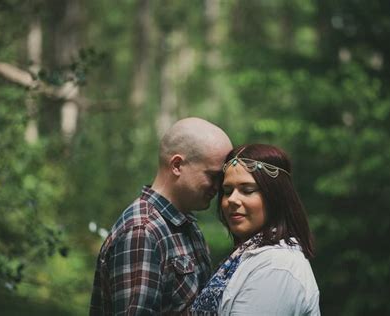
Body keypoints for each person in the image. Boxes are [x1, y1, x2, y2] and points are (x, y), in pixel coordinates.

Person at [89, 117, 233, 315]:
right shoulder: (142, 231)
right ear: (176, 165)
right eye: (212, 176)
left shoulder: (184, 224)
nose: (218, 187)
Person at [190, 144, 320, 316]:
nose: (232, 200)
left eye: (247, 190)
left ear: (275, 197)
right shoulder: (247, 257)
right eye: (227, 191)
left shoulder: (277, 267)